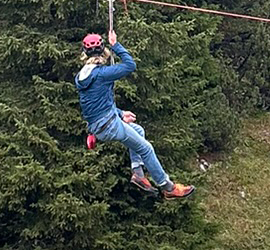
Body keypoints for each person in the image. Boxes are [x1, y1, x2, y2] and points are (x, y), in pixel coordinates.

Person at [75, 31, 195, 200]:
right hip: (109, 126)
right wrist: (116, 44)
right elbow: (130, 65)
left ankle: (138, 173)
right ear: (103, 51)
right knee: (146, 148)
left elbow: (97, 104)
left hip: (100, 125)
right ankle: (168, 187)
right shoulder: (102, 73)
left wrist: (121, 113)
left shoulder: (81, 76)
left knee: (138, 130)